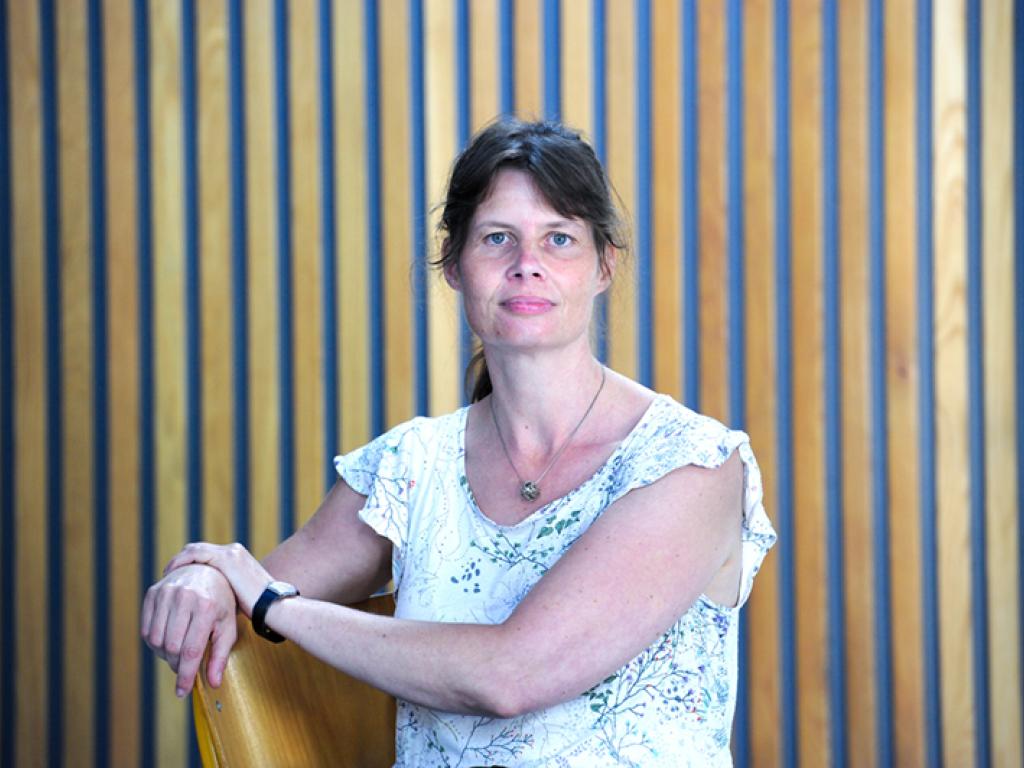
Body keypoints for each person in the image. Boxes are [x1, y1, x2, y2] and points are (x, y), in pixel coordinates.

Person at [142, 118, 776, 767]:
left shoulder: (691, 464)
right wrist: (202, 578)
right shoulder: (411, 467)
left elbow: (512, 675)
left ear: (604, 266)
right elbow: (244, 588)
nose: (527, 265)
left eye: (559, 239)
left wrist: (275, 605)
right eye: (497, 238)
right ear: (453, 265)